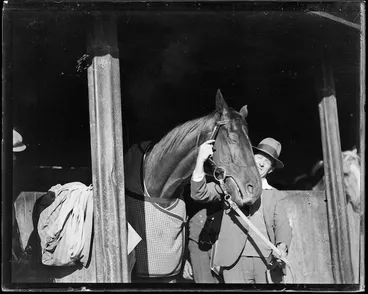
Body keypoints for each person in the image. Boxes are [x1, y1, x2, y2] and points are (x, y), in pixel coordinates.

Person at [190, 137, 292, 283]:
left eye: (267, 161)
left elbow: (283, 224)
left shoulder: (274, 194)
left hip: (266, 261)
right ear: (250, 157)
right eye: (259, 157)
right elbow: (199, 193)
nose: (262, 163)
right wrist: (200, 160)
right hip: (234, 261)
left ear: (271, 169)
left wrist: (282, 247)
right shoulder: (231, 184)